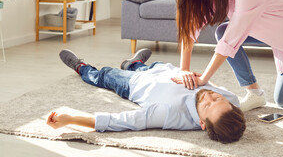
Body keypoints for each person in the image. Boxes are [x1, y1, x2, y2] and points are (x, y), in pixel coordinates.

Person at [46, 48, 246, 144]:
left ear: (202, 123)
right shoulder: (232, 101)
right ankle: (133, 63)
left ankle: (81, 67)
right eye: (218, 99)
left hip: (133, 84)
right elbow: (216, 88)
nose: (210, 97)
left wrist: (71, 119)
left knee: (103, 75)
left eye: (208, 106)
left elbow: (124, 121)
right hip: (164, 69)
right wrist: (200, 78)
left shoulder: (169, 115)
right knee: (151, 65)